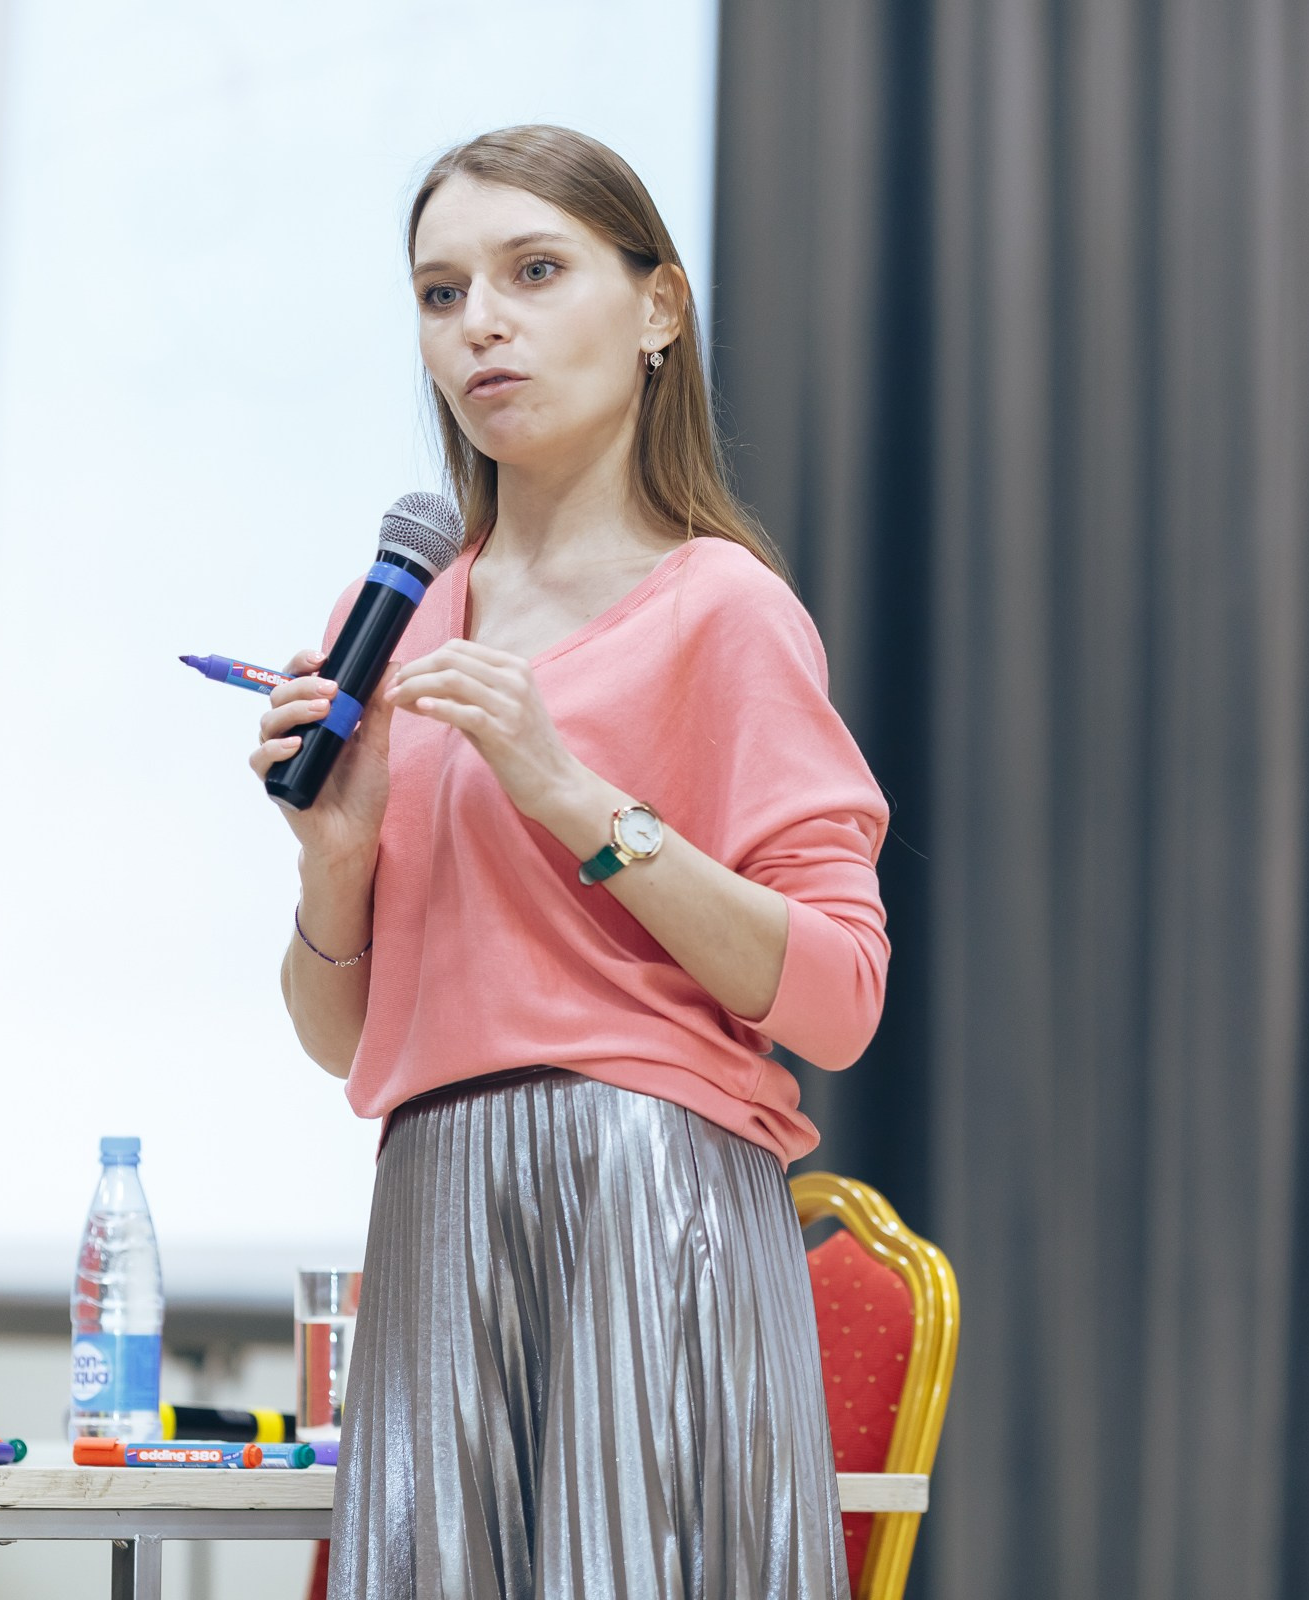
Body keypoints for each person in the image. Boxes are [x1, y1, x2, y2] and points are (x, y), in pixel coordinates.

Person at [248, 125, 890, 1600]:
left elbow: (841, 998)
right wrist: (335, 861)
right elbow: (346, 1037)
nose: (481, 322)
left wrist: (577, 799)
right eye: (442, 292)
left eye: (534, 272)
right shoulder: (395, 617)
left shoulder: (721, 608)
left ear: (658, 306)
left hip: (649, 1198)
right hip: (436, 1193)